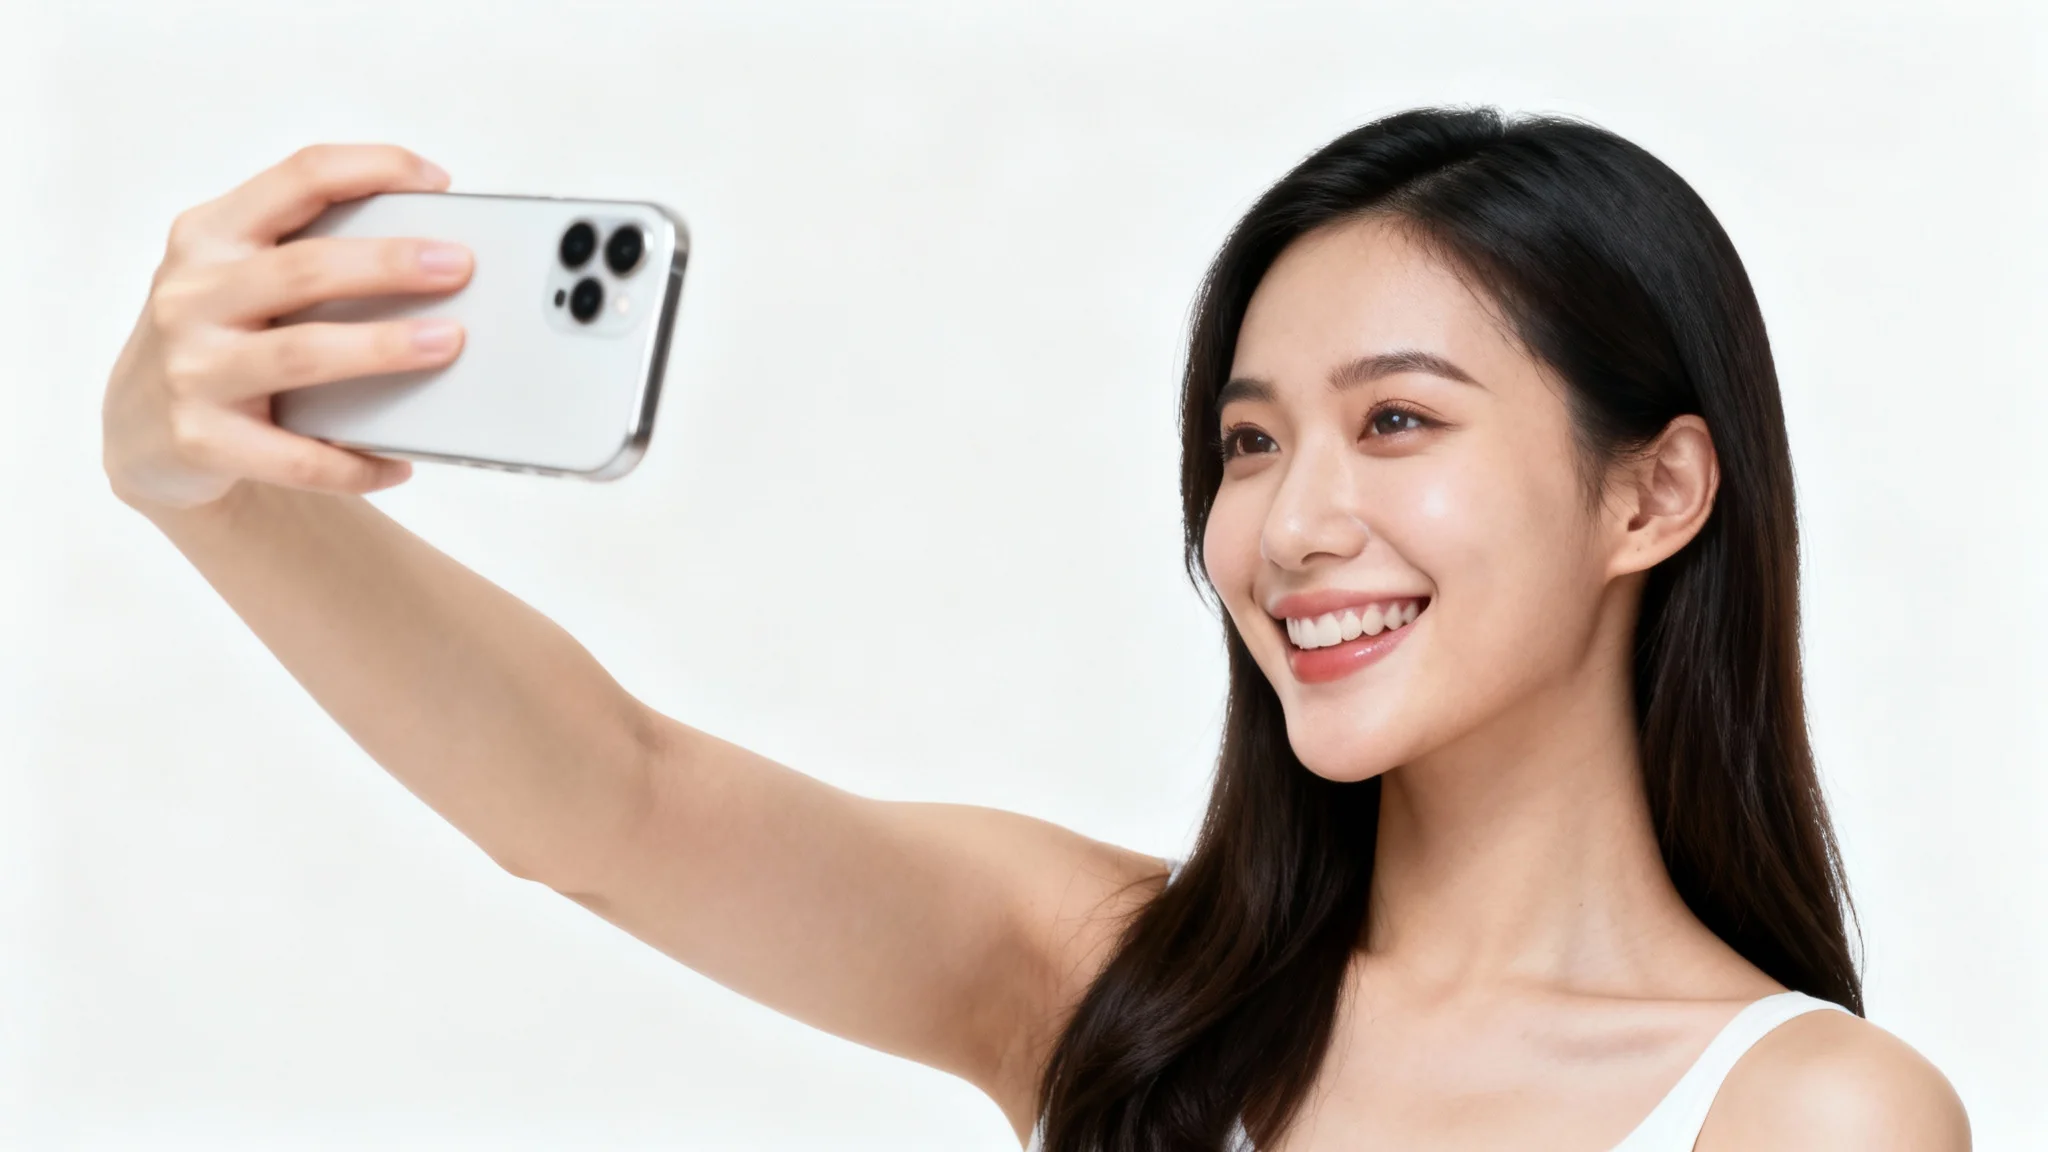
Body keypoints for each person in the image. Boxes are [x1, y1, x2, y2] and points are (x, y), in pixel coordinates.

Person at [100, 106, 1969, 1150]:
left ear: (1653, 492)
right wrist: (209, 493)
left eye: (1397, 419)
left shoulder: (1805, 1117)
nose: (1295, 522)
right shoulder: (1115, 991)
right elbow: (610, 802)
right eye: (1250, 441)